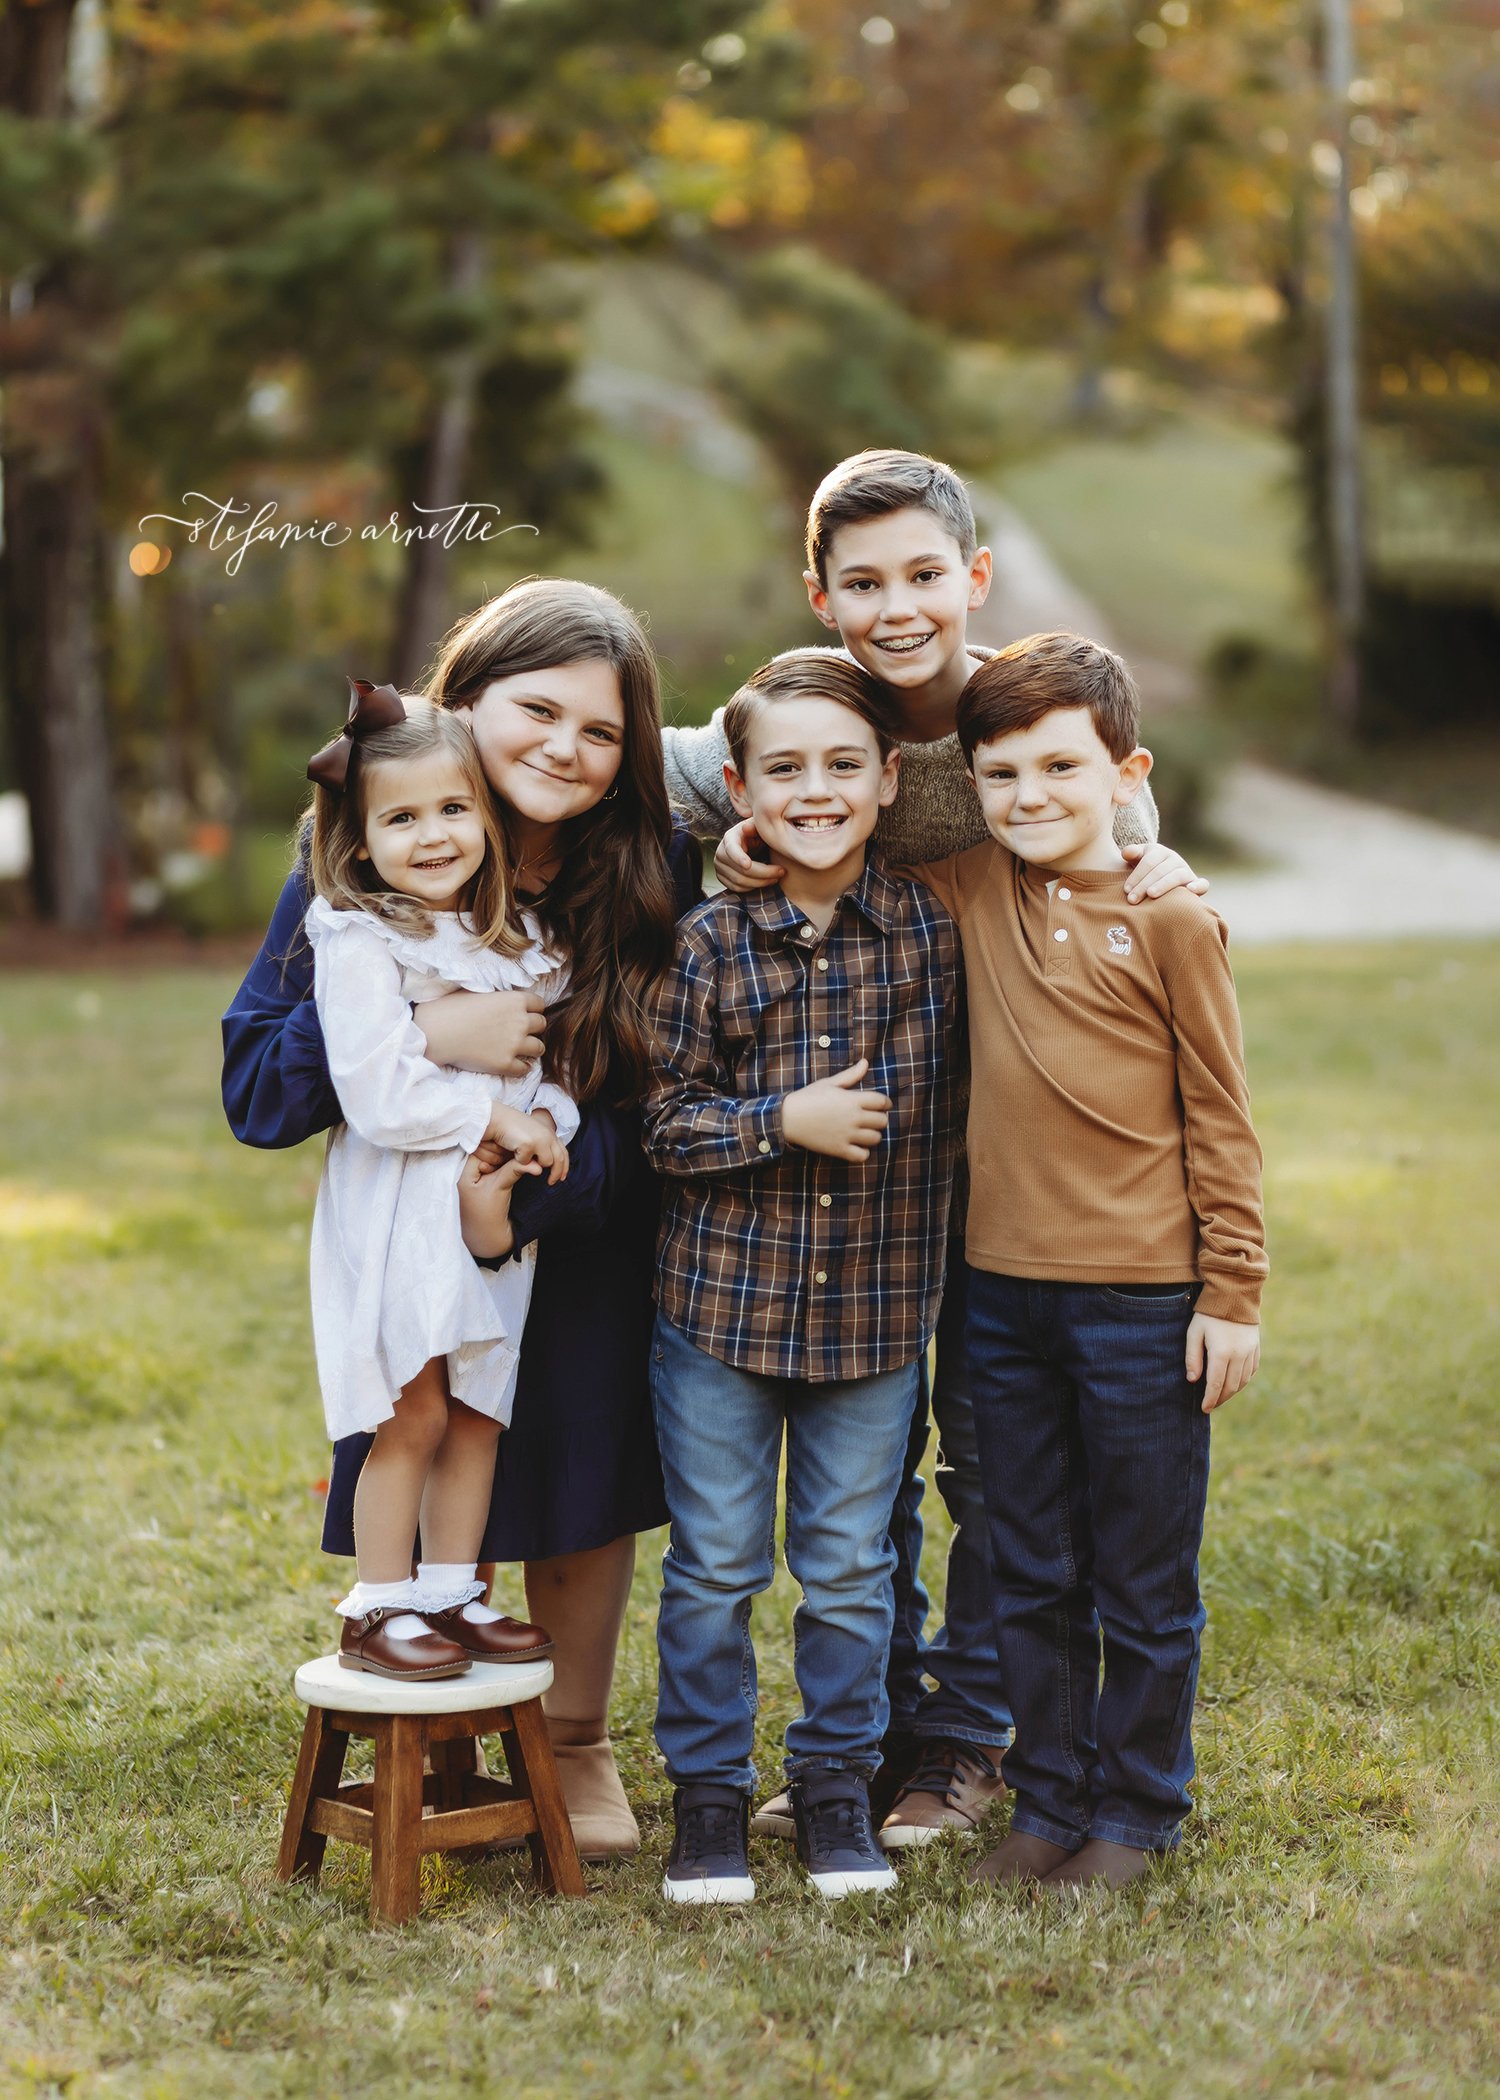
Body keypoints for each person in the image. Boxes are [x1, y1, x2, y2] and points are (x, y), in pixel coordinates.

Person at [661, 449, 1206, 1852]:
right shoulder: (810, 704)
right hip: (853, 1177)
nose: (896, 609)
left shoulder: (1021, 713)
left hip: (1004, 1162)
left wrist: (1159, 862)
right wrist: (724, 843)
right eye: (863, 582)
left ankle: (964, 1739)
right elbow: (667, 772)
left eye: (922, 576)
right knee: (874, 1472)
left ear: (973, 580)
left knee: (987, 1471)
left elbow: (1123, 850)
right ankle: (876, 1728)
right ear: (820, 593)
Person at [222, 578, 697, 1852]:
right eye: (536, 712)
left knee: (583, 1439)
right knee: (425, 1421)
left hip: (579, 1217)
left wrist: (531, 1200)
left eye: (601, 733)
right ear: (463, 704)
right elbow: (257, 1092)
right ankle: (424, 1681)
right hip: (417, 1220)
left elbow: (658, 1108)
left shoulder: (650, 868)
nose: (565, 749)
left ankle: (579, 1743)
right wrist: (431, 1031)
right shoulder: (362, 863)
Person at [913, 631, 1265, 1889]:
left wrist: (1232, 1292)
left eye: (1060, 768)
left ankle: (1137, 1813)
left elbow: (1222, 1115)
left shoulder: (1173, 917)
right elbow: (848, 836)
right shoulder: (965, 885)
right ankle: (1050, 1801)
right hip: (997, 1300)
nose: (1028, 799)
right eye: (999, 776)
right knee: (1027, 1564)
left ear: (1128, 772)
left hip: (1143, 1303)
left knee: (1141, 1576)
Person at [642, 653, 964, 1903]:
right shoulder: (710, 943)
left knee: (847, 1569)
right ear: (738, 791)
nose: (815, 790)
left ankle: (837, 1786)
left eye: (843, 766)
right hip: (720, 1313)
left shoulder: (932, 936)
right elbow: (664, 1123)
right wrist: (784, 1120)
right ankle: (710, 1800)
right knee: (716, 1564)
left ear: (890, 781)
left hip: (877, 1318)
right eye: (785, 769)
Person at [300, 686, 575, 1680]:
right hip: (399, 1213)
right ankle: (379, 1605)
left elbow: (545, 1073)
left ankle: (451, 1590)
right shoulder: (358, 940)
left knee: (477, 1408)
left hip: (484, 1212)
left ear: (488, 818)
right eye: (401, 817)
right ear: (361, 839)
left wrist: (543, 1124)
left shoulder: (523, 945)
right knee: (411, 1410)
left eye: (453, 809)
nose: (432, 835)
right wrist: (488, 1118)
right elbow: (374, 1089)